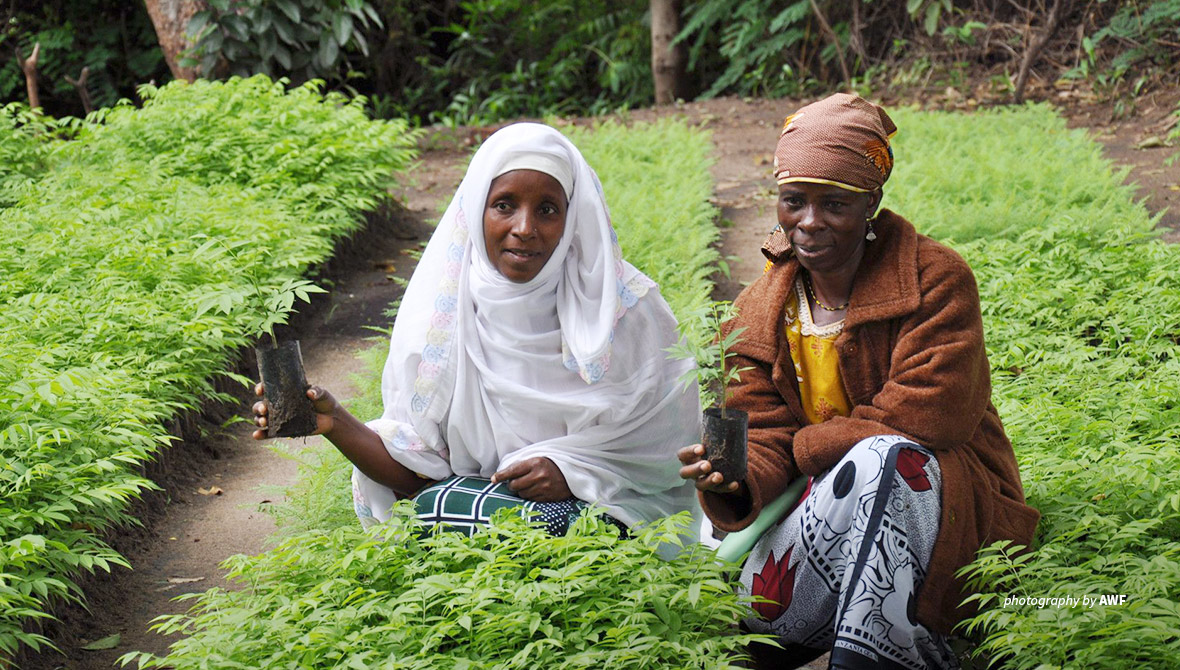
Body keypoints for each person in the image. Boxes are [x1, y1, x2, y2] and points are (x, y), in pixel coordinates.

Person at [678, 94, 1039, 669]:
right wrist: (732, 481)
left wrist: (807, 449)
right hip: (819, 499)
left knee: (885, 459)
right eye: (793, 201)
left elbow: (932, 413)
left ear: (871, 202)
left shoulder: (935, 279)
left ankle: (876, 652)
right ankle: (812, 635)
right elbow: (763, 433)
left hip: (945, 506)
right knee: (707, 534)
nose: (809, 222)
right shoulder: (758, 306)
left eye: (835, 204)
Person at [254, 122, 698, 536]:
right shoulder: (442, 315)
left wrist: (572, 472)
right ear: (475, 209)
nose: (524, 229)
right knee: (436, 507)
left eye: (547, 209)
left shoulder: (624, 308)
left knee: (535, 520)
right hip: (480, 522)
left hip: (615, 513)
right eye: (504, 205)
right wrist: (335, 423)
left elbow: (670, 444)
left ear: (573, 217)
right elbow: (414, 477)